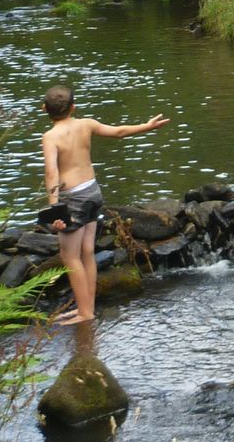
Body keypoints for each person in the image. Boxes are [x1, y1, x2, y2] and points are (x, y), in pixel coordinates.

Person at [41, 84, 168, 326]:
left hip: (73, 198)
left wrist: (54, 209)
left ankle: (85, 313)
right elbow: (119, 132)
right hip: (92, 190)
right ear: (73, 108)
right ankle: (87, 307)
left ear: (44, 109)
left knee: (70, 257)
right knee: (87, 251)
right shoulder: (86, 124)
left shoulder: (50, 137)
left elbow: (51, 172)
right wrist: (147, 126)